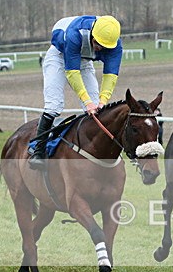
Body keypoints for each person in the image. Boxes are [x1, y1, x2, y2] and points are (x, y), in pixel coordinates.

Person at [28, 15, 123, 169]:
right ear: (92, 34)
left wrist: (102, 101)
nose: (100, 48)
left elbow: (110, 76)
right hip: (59, 55)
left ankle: (93, 151)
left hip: (84, 60)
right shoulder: (74, 34)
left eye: (105, 47)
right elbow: (72, 73)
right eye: (97, 44)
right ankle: (38, 151)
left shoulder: (115, 45)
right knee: (54, 105)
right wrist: (87, 102)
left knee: (96, 109)